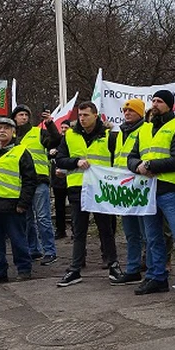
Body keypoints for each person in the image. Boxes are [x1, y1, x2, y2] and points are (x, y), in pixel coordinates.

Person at [128, 90, 175, 298]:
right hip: (148, 191)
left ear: (170, 105)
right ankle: (157, 277)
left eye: (159, 101)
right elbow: (131, 157)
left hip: (169, 190)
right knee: (152, 238)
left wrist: (150, 164)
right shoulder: (144, 130)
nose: (155, 104)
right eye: (153, 100)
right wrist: (138, 166)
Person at [54, 101, 122, 288]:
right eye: (80, 115)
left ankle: (113, 264)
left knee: (106, 228)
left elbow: (117, 161)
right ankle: (75, 269)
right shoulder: (69, 136)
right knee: (79, 230)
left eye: (86, 115)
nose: (82, 119)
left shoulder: (110, 136)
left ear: (95, 115)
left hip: (101, 188)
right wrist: (75, 162)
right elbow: (60, 159)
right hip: (78, 188)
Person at [0, 117, 35, 285]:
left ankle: (24, 269)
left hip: (11, 205)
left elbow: (30, 181)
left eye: (6, 128)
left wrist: (23, 204)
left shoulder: (21, 152)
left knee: (18, 239)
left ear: (13, 132)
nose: (2, 131)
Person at [12, 104, 60, 266]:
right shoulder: (11, 137)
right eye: (20, 115)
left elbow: (56, 140)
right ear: (14, 118)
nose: (24, 117)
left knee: (43, 218)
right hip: (20, 183)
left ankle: (50, 251)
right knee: (26, 219)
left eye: (26, 114)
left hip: (39, 181)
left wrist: (50, 123)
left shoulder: (38, 132)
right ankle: (34, 249)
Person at [110, 99, 150, 285]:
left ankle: (151, 269)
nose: (127, 113)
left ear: (140, 113)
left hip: (141, 189)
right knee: (131, 233)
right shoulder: (121, 133)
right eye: (125, 110)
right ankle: (133, 268)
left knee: (147, 232)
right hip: (125, 190)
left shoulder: (145, 130)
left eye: (131, 110)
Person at [50, 120, 71, 240]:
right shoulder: (57, 141)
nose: (63, 129)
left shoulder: (73, 141)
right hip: (58, 180)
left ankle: (74, 229)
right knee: (59, 206)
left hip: (70, 178)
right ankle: (60, 229)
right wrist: (52, 152)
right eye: (62, 127)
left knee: (73, 206)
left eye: (66, 127)